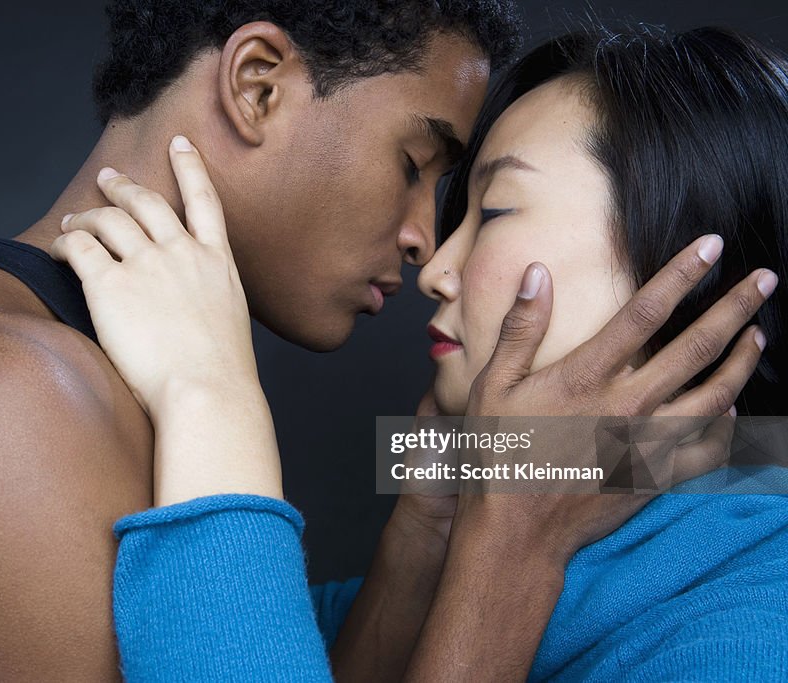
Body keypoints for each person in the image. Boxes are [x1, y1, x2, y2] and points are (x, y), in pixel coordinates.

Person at [0, 1, 767, 679]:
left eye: (481, 207)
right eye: (417, 163)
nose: (428, 251)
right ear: (256, 87)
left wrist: (450, 508)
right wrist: (219, 404)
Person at [51, 25, 787, 680]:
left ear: (688, 268)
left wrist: (211, 395)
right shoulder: (444, 544)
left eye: (493, 210)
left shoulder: (755, 625)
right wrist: (425, 530)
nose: (434, 269)